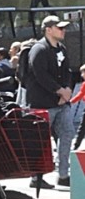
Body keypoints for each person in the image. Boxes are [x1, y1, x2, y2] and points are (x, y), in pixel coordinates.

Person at [24, 14, 79, 189]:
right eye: (59, 28)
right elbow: (40, 75)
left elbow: (68, 72)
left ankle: (63, 174)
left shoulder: (61, 48)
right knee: (41, 141)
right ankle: (36, 176)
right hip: (43, 103)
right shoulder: (39, 49)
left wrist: (67, 91)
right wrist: (61, 91)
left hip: (61, 103)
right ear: (48, 29)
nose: (63, 31)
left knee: (67, 134)